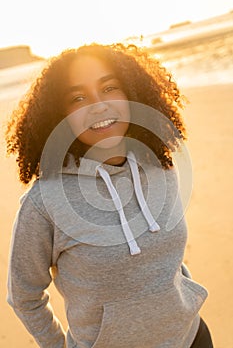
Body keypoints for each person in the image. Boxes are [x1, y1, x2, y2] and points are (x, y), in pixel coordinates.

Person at [5, 43, 213, 348]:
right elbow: (24, 296)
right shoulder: (44, 203)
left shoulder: (161, 164)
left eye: (109, 87)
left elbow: (168, 258)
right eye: (78, 98)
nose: (98, 105)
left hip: (192, 338)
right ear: (58, 115)